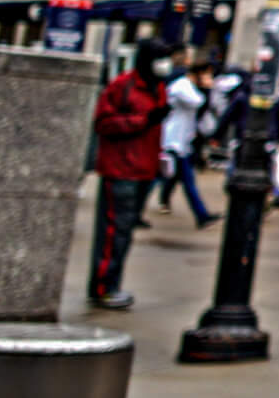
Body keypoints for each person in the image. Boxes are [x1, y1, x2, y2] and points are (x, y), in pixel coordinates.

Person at [88, 37, 180, 308]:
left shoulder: (158, 88)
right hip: (121, 169)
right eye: (161, 59)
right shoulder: (123, 86)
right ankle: (104, 286)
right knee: (113, 233)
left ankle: (110, 284)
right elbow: (104, 124)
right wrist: (142, 121)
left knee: (124, 232)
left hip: (144, 169)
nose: (165, 65)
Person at [154, 59, 220, 228]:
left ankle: (200, 215)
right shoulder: (182, 86)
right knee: (175, 180)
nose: (209, 78)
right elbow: (197, 102)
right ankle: (201, 215)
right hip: (172, 141)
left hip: (182, 142)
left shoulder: (188, 86)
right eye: (206, 74)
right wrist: (206, 88)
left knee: (171, 178)